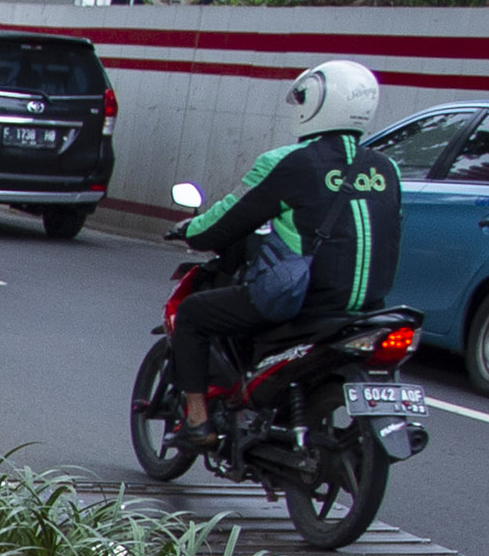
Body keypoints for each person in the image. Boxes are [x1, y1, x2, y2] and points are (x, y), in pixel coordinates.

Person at [171, 60, 403, 421]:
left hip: (301, 301)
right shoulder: (388, 169)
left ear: (316, 102)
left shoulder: (289, 163)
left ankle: (197, 419)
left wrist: (192, 230)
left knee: (191, 314)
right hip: (369, 307)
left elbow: (227, 219)